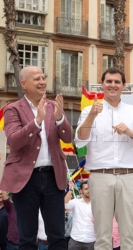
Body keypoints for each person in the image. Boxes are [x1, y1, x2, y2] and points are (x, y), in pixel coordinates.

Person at [75, 68, 133, 249]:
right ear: (102, 84)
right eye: (109, 81)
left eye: (117, 82)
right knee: (102, 236)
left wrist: (131, 133)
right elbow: (79, 141)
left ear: (123, 86)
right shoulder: (89, 110)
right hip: (100, 176)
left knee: (128, 236)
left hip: (128, 177)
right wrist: (92, 116)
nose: (113, 85)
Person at [0, 66, 73, 249]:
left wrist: (59, 119)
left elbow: (69, 138)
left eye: (43, 77)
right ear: (23, 84)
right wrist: (37, 122)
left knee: (57, 235)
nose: (42, 82)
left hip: (53, 177)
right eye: (36, 79)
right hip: (25, 179)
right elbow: (14, 141)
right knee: (27, 237)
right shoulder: (13, 109)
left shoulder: (53, 106)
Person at [65, 180, 95, 250]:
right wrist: (71, 189)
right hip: (75, 239)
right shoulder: (76, 202)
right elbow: (65, 204)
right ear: (81, 190)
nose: (89, 191)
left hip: (91, 240)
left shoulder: (97, 204)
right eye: (86, 189)